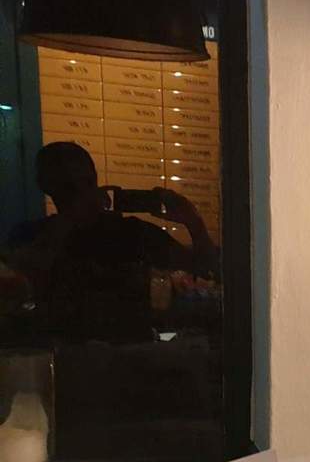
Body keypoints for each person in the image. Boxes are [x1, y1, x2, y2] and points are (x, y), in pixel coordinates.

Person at [5, 141, 215, 338]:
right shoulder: (34, 235)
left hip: (123, 354)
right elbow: (20, 283)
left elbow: (205, 267)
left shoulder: (131, 232)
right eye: (71, 187)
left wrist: (192, 220)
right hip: (76, 353)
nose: (83, 193)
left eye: (87, 183)